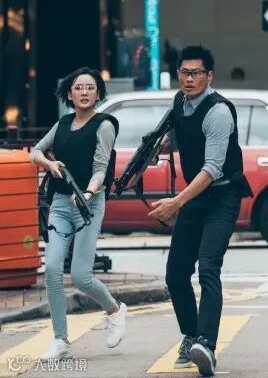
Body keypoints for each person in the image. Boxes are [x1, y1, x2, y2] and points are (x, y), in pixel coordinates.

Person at [148, 45, 252, 376]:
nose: (189, 79)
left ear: (210, 76)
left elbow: (212, 168)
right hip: (195, 197)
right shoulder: (179, 103)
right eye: (184, 72)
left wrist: (176, 202)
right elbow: (184, 135)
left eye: (195, 73)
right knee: (176, 273)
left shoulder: (219, 111)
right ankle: (191, 335)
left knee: (208, 268)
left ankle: (206, 344)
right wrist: (165, 144)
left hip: (222, 196)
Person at [30, 67, 126, 360]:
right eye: (78, 88)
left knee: (81, 277)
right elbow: (36, 151)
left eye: (90, 87)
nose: (84, 92)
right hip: (60, 204)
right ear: (69, 95)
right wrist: (49, 165)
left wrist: (88, 193)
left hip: (88, 206)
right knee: (52, 269)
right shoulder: (62, 124)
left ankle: (114, 309)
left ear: (98, 94)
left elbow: (101, 168)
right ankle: (60, 339)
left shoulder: (104, 125)